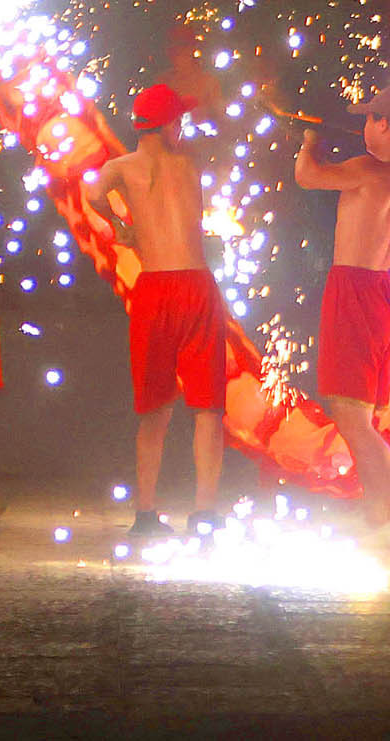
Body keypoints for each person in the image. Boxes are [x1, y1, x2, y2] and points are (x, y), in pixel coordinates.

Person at [93, 82, 236, 543]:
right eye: (180, 121)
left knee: (155, 408)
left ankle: (146, 510)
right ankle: (205, 510)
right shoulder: (190, 161)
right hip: (195, 286)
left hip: (154, 288)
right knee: (207, 407)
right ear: (170, 124)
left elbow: (91, 193)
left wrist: (120, 227)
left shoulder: (121, 167)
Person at [297, 94, 390, 545]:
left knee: (353, 418)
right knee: (358, 417)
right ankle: (381, 517)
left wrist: (309, 139)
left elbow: (306, 176)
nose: (364, 129)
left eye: (370, 120)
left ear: (387, 125)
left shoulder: (368, 168)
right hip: (379, 294)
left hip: (353, 291)